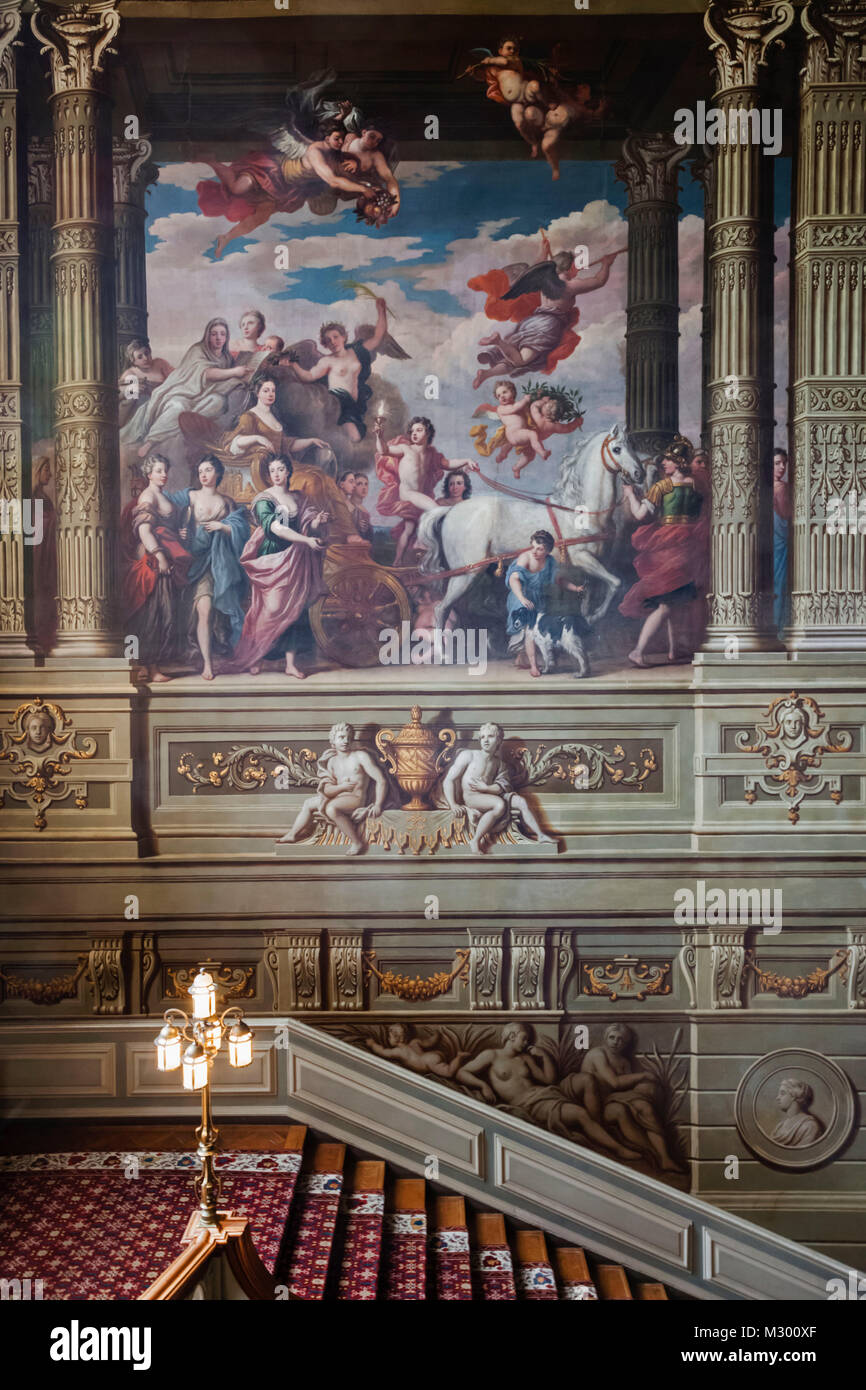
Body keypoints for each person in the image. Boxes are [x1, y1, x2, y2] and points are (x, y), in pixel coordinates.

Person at [456, 1022, 641, 1160]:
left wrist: (543, 1056)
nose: (526, 1042)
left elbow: (548, 1080)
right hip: (527, 1104)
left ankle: (599, 1130)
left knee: (586, 1085)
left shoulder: (525, 1059)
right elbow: (462, 1072)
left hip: (545, 1094)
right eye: (524, 1038)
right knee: (580, 1113)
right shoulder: (491, 1055)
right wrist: (483, 1086)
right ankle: (617, 1149)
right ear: (512, 1036)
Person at [222, 455, 328, 680]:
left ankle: (290, 664)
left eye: (281, 469)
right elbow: (276, 529)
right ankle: (255, 657)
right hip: (273, 557)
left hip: (298, 557)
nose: (277, 474)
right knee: (270, 610)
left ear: (288, 471)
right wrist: (306, 540)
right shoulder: (263, 500)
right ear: (268, 475)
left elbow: (308, 523)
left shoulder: (298, 497)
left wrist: (318, 521)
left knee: (295, 608)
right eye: (273, 471)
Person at [619, 436, 709, 667]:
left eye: (668, 461)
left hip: (668, 548)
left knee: (668, 602)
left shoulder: (662, 486)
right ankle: (673, 650)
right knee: (673, 599)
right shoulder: (697, 484)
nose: (664, 465)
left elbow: (640, 515)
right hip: (689, 546)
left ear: (678, 462)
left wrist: (630, 495)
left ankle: (638, 651)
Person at [120, 318, 253, 462]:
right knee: (178, 406)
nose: (218, 338)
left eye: (222, 334)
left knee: (218, 402)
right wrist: (234, 372)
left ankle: (186, 423)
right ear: (207, 335)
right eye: (214, 334)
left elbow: (175, 374)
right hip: (180, 392)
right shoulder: (198, 350)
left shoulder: (225, 358)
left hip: (201, 395)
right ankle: (152, 440)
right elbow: (204, 373)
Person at [167, 456, 250, 681]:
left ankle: (211, 661)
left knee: (209, 612)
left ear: (218, 473)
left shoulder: (227, 502)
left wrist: (223, 526)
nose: (203, 474)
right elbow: (165, 510)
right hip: (194, 560)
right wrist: (179, 532)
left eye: (209, 470)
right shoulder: (190, 496)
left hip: (219, 562)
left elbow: (242, 531)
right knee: (203, 611)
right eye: (201, 470)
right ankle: (207, 663)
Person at [122, 454, 191, 683]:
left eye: (165, 470)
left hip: (165, 558)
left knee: (165, 612)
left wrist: (178, 535)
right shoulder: (148, 495)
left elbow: (165, 526)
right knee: (154, 613)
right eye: (159, 470)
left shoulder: (160, 495)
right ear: (149, 474)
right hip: (153, 562)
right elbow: (144, 531)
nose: (164, 474)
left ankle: (152, 666)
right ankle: (149, 668)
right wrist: (160, 555)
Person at [374, 415, 480, 565]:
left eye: (419, 430)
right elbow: (384, 450)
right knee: (436, 510)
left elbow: (448, 463)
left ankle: (397, 562)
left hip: (420, 496)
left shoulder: (431, 454)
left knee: (409, 530)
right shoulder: (405, 449)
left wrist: (467, 460)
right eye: (412, 431)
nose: (414, 433)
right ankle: (422, 543)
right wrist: (379, 436)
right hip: (408, 494)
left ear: (428, 432)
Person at [581, 1023, 684, 1172]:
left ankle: (665, 1158)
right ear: (605, 1038)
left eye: (621, 1039)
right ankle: (653, 1154)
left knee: (645, 1107)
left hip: (613, 1099)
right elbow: (614, 1083)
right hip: (597, 1105)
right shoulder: (597, 1054)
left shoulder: (624, 1062)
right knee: (620, 1110)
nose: (616, 1042)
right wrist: (643, 1075)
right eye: (612, 1037)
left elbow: (626, 1087)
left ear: (626, 1043)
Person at [443, 721, 556, 855]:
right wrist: (453, 804)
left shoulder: (499, 764)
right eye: (483, 737)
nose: (485, 740)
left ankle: (540, 835)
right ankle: (476, 840)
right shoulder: (469, 755)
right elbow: (449, 780)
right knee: (499, 804)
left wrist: (486, 788)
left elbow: (501, 787)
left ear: (499, 740)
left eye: (490, 736)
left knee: (521, 801)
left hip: (489, 794)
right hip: (472, 797)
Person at [277, 721, 386, 855]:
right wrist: (342, 787)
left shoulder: (360, 756)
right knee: (308, 804)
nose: (345, 741)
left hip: (356, 798)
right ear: (333, 740)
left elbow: (381, 780)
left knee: (331, 808)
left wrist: (378, 805)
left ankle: (357, 843)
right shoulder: (332, 762)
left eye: (348, 737)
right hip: (339, 796)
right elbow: (327, 790)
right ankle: (292, 834)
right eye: (341, 737)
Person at [285, 302, 389, 442]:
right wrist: (294, 365)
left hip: (355, 404)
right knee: (354, 438)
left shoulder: (357, 351)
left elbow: (378, 337)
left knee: (357, 438)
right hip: (338, 402)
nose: (332, 342)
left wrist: (381, 310)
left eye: (335, 337)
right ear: (324, 344)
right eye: (328, 340)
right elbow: (309, 376)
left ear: (344, 337)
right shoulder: (327, 361)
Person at [505, 529, 584, 678]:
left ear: (547, 551)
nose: (535, 551)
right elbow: (514, 579)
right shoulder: (525, 558)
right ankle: (534, 666)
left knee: (538, 629)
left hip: (539, 598)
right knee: (530, 631)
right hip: (520, 596)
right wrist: (522, 598)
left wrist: (575, 588)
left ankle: (522, 658)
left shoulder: (550, 561)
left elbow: (558, 581)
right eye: (533, 547)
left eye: (540, 549)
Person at [365, 1023, 468, 1078]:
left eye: (388, 1036)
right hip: (431, 1055)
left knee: (449, 1072)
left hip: (428, 1062)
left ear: (395, 1038)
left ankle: (459, 1056)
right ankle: (458, 1058)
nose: (387, 1039)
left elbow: (383, 1051)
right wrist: (436, 1036)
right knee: (446, 1068)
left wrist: (372, 1044)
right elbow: (429, 1042)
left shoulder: (399, 1051)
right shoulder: (415, 1042)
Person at [118, 339, 173, 426]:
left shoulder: (160, 364)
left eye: (146, 353)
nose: (145, 358)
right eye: (140, 357)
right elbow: (120, 395)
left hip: (164, 401)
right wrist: (132, 389)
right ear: (133, 361)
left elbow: (176, 378)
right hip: (142, 411)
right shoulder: (131, 373)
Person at [770, 1079, 824, 1147]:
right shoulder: (779, 1126)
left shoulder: (810, 1126)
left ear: (793, 1096)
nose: (777, 1097)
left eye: (782, 1093)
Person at [773, 447, 791, 635]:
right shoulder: (782, 488)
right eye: (777, 463)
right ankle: (779, 630)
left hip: (773, 543)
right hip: (780, 544)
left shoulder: (764, 487)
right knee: (780, 585)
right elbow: (787, 515)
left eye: (784, 463)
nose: (782, 467)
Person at [351, 471, 373, 539]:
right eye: (359, 484)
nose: (364, 487)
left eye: (366, 484)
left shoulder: (365, 511)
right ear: (353, 486)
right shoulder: (348, 506)